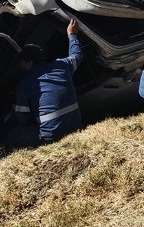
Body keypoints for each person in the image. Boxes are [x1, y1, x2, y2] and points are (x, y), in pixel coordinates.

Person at [5, 19, 85, 147]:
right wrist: (72, 34)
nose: (17, 66)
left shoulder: (23, 86)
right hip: (75, 127)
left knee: (8, 134)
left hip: (51, 136)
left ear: (29, 63)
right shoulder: (63, 66)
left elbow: (23, 119)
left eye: (20, 62)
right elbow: (77, 54)